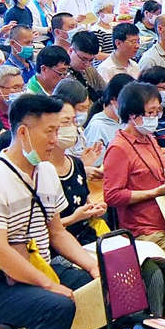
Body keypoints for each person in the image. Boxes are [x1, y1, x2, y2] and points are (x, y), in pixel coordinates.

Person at [0, 93, 101, 329]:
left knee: (104, 287)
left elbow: (57, 233)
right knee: (56, 306)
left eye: (57, 131)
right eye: (49, 131)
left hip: (39, 265)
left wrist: (92, 266)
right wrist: (48, 285)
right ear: (23, 133)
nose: (55, 139)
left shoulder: (46, 172)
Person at [104, 82, 165, 260]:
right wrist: (154, 192)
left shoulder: (149, 138)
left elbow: (161, 174)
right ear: (132, 114)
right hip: (145, 231)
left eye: (157, 112)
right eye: (150, 113)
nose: (155, 117)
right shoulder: (119, 148)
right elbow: (112, 196)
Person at [49, 95, 105, 246]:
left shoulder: (76, 164)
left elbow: (86, 203)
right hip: (59, 246)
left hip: (88, 237)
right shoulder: (41, 172)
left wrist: (94, 209)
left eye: (73, 121)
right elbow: (42, 229)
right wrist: (74, 218)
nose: (72, 127)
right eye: (65, 122)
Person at [84, 73, 133, 155]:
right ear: (113, 100)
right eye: (128, 103)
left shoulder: (125, 121)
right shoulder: (97, 127)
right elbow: (95, 161)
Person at [66, 32, 107, 104]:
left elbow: (105, 91)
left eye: (91, 60)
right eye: (83, 59)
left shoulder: (90, 70)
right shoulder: (61, 74)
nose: (87, 64)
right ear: (71, 51)